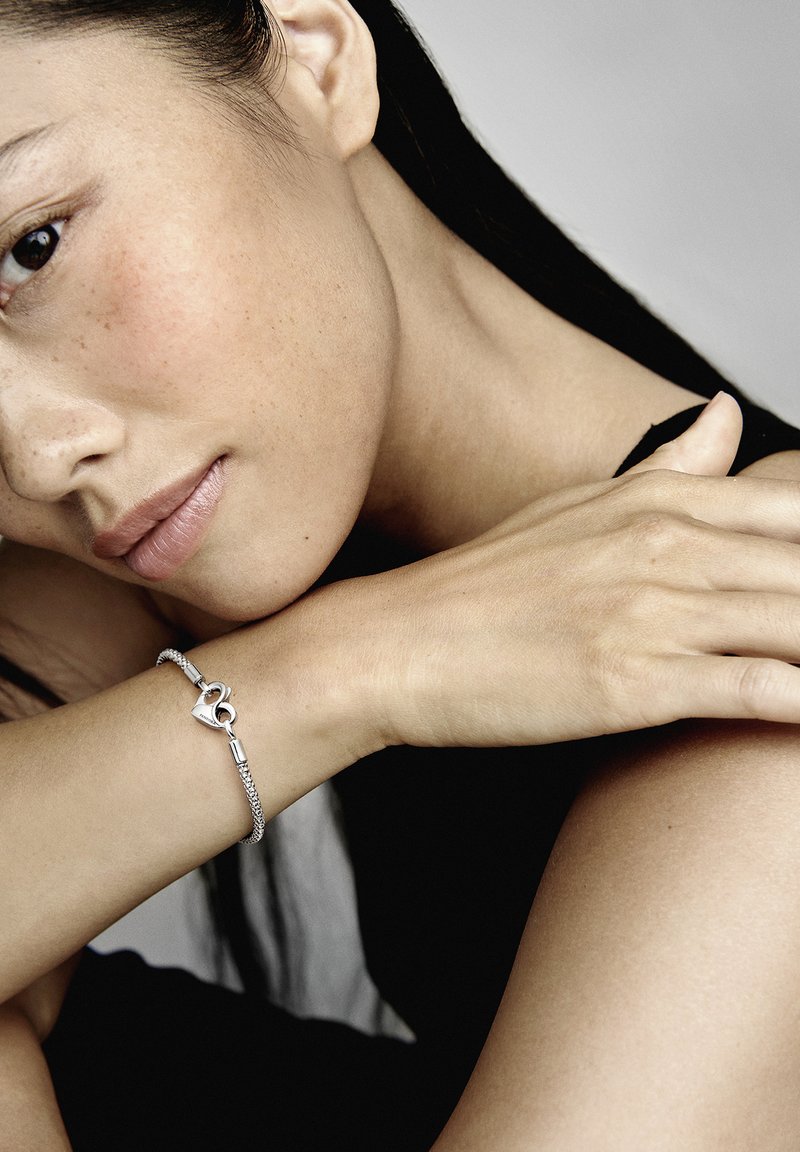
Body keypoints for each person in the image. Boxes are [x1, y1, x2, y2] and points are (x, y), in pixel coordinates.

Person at [2, 1, 800, 1147]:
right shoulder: (157, 516)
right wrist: (344, 672)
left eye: (33, 246)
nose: (33, 453)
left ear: (316, 59)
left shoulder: (759, 645)